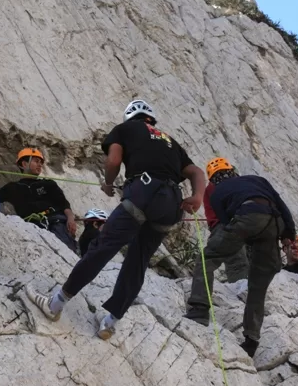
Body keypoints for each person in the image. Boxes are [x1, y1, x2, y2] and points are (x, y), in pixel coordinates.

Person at [25, 99, 205, 340]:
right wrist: (197, 197)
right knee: (138, 262)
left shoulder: (126, 129)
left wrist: (109, 184)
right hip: (172, 205)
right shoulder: (169, 140)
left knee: (103, 247)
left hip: (144, 193)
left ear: (131, 117)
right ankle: (110, 323)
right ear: (150, 118)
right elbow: (196, 172)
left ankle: (55, 305)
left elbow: (113, 161)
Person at [184, 157, 296, 358]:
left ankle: (199, 309)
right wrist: (289, 236)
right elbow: (282, 206)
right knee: (258, 284)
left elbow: (228, 224)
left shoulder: (217, 192)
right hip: (274, 222)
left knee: (207, 258)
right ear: (233, 171)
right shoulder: (257, 180)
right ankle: (251, 340)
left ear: (213, 179)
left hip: (247, 216)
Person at [0, 148, 78, 252]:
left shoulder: (48, 184)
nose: (40, 165)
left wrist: (70, 218)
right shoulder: (13, 188)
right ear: (24, 164)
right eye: (36, 161)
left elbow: (63, 204)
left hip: (55, 222)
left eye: (41, 162)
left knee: (66, 251)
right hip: (31, 228)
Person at [203, 158, 250, 283]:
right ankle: (242, 289)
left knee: (239, 260)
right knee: (237, 261)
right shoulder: (215, 188)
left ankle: (243, 288)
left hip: (227, 224)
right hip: (227, 224)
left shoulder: (213, 187)